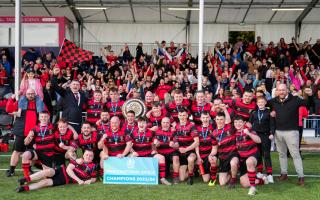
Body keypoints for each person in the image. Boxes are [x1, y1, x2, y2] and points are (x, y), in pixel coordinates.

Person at [268, 83, 306, 186]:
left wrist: (310, 95)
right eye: (279, 90)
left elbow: (308, 103)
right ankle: (284, 173)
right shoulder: (273, 101)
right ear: (277, 91)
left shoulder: (295, 99)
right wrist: (270, 113)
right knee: (281, 154)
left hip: (292, 132)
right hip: (278, 132)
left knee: (295, 154)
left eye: (283, 90)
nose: (281, 92)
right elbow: (261, 104)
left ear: (287, 90)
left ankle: (301, 176)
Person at [6, 89, 46, 177]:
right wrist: (11, 99)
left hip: (34, 133)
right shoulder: (20, 102)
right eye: (29, 94)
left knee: (32, 152)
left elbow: (46, 114)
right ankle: (11, 170)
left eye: (32, 94)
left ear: (35, 94)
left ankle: (29, 169)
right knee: (17, 151)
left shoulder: (39, 104)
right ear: (26, 94)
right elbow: (8, 109)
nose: (31, 95)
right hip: (21, 131)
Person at [16, 150, 97, 193]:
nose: (88, 157)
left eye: (90, 156)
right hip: (62, 171)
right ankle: (26, 179)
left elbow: (93, 179)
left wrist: (87, 181)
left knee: (45, 182)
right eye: (87, 155)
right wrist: (79, 180)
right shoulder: (78, 160)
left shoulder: (93, 166)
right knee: (48, 171)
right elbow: (69, 170)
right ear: (83, 155)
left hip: (64, 180)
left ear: (93, 157)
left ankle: (25, 188)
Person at [130, 117, 171, 185]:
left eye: (143, 123)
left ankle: (162, 178)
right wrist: (133, 152)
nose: (141, 124)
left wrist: (154, 148)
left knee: (161, 158)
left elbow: (155, 142)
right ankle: (133, 178)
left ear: (146, 124)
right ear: (137, 124)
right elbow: (129, 145)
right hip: (137, 154)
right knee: (131, 157)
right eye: (140, 122)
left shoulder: (151, 132)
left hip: (148, 153)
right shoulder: (133, 133)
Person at [51, 67, 87, 133]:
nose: (75, 86)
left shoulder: (82, 95)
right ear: (70, 86)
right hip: (67, 124)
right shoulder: (65, 93)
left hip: (78, 124)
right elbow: (54, 86)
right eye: (73, 84)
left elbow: (88, 103)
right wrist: (54, 75)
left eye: (77, 84)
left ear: (79, 86)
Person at [249, 96, 275, 183]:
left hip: (265, 136)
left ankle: (270, 174)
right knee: (258, 154)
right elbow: (250, 123)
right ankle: (259, 172)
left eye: (262, 102)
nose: (260, 103)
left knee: (266, 155)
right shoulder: (254, 113)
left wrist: (271, 133)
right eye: (259, 102)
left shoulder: (269, 112)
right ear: (257, 103)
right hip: (256, 136)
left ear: (265, 103)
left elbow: (272, 124)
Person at [21, 111, 55, 178]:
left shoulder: (53, 127)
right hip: (38, 152)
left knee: (47, 176)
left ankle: (42, 167)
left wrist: (74, 132)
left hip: (48, 154)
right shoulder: (35, 129)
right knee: (25, 155)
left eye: (45, 116)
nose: (43, 118)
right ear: (39, 118)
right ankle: (26, 177)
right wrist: (29, 137)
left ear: (48, 117)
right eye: (42, 116)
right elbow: (26, 143)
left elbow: (65, 125)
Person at [234, 116, 262, 195]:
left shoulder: (249, 130)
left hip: (253, 156)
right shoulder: (234, 132)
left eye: (240, 122)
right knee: (244, 184)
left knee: (249, 162)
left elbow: (259, 140)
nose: (238, 124)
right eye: (236, 122)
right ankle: (261, 179)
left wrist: (249, 133)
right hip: (242, 159)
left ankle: (253, 188)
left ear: (244, 123)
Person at [211, 112, 239, 188]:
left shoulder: (230, 127)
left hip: (233, 154)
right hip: (223, 158)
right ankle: (231, 172)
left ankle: (233, 180)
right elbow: (214, 148)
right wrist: (211, 156)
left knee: (233, 163)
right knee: (222, 183)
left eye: (221, 119)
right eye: (218, 119)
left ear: (224, 120)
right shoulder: (213, 133)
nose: (219, 121)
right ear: (215, 120)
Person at [172, 108, 199, 185]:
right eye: (180, 115)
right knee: (182, 178)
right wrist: (175, 144)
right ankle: (176, 177)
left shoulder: (191, 126)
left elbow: (197, 142)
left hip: (189, 150)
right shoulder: (176, 126)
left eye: (184, 115)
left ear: (187, 115)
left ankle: (190, 177)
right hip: (180, 151)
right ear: (178, 116)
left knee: (190, 159)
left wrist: (186, 149)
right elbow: (174, 138)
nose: (182, 117)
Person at [153, 117, 180, 184]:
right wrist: (155, 145)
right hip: (161, 153)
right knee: (166, 175)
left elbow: (177, 145)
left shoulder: (173, 131)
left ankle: (175, 177)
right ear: (161, 123)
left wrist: (173, 145)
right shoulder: (156, 132)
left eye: (167, 122)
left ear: (170, 123)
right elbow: (153, 145)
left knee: (176, 157)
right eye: (164, 122)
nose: (165, 124)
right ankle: (162, 176)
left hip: (171, 152)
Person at [195, 112, 217, 185]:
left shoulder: (214, 127)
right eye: (203, 118)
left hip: (211, 153)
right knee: (205, 180)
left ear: (209, 118)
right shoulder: (197, 129)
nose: (205, 119)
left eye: (207, 117)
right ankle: (200, 170)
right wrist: (198, 157)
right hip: (202, 154)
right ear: (200, 119)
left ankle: (214, 175)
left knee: (212, 159)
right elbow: (196, 144)